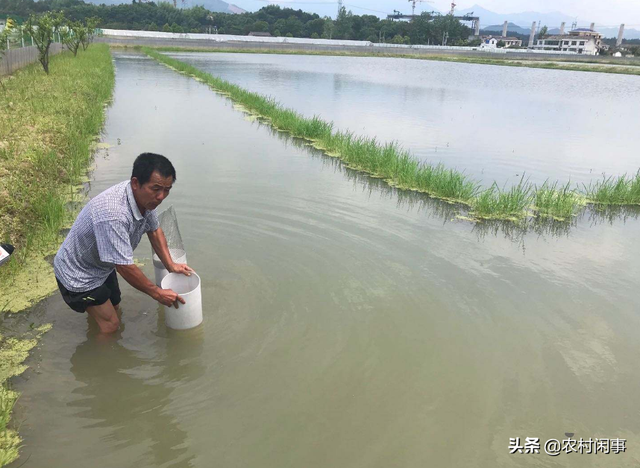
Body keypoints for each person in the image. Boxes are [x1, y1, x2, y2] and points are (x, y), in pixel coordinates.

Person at [54, 153, 193, 334]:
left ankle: (96, 323)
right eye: (156, 189)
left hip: (102, 265)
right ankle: (103, 359)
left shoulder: (145, 200)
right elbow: (124, 266)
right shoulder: (113, 214)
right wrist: (157, 293)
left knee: (115, 305)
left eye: (167, 189)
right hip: (79, 274)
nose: (161, 196)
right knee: (111, 324)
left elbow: (154, 230)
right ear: (136, 183)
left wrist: (170, 265)